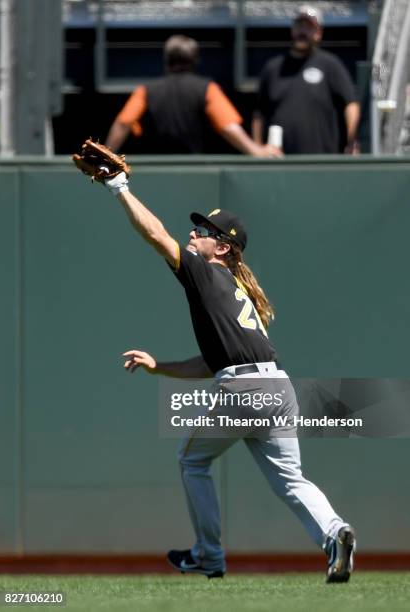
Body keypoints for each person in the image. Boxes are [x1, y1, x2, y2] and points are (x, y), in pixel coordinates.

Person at [84, 164, 357, 583]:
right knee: (291, 479)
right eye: (196, 228)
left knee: (192, 460)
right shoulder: (235, 288)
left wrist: (119, 187)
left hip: (245, 387)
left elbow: (156, 235)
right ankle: (335, 532)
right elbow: (214, 363)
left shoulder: (203, 271)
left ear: (224, 248)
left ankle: (208, 556)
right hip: (276, 387)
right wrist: (160, 368)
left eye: (205, 231)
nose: (194, 233)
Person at [106, 35, 280, 157]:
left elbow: (123, 123)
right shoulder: (207, 88)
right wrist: (255, 151)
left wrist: (106, 154)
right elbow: (228, 127)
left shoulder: (145, 90)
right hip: (194, 167)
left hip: (156, 168)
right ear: (195, 61)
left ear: (167, 61)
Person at [252, 5, 361, 155]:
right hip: (279, 161)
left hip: (321, 161)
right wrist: (257, 149)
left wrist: (352, 140)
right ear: (292, 30)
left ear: (318, 33)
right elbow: (259, 114)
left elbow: (351, 104)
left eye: (308, 27)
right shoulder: (273, 68)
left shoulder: (330, 65)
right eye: (299, 26)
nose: (302, 31)